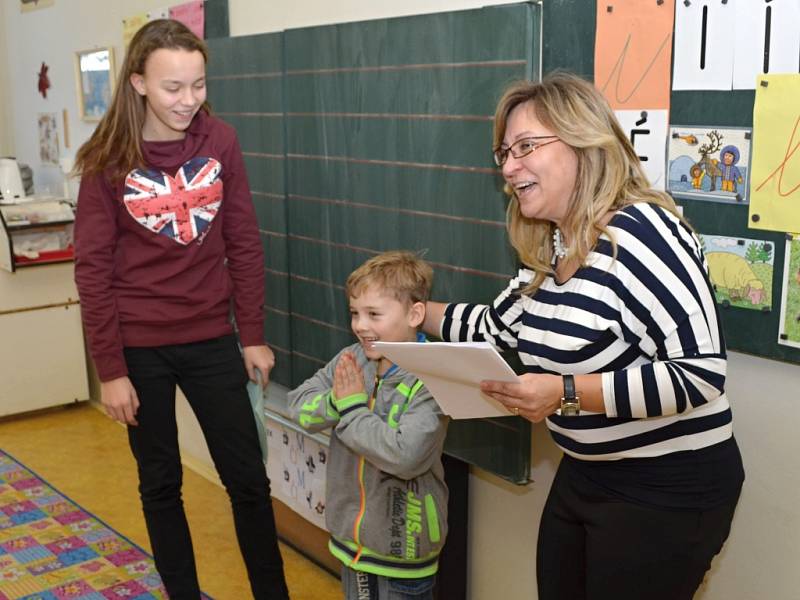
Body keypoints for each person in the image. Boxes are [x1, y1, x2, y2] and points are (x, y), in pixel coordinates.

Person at [422, 72, 744, 600]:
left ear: (581, 141)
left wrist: (564, 391)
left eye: (526, 146)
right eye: (503, 152)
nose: (507, 166)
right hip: (589, 474)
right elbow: (494, 327)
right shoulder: (552, 248)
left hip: (669, 488)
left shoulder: (642, 232)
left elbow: (700, 372)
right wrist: (413, 314)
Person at [72, 19, 289, 600]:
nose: (188, 100)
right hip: (138, 349)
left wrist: (253, 335)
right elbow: (92, 271)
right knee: (161, 484)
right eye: (173, 87)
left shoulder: (220, 142)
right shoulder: (106, 159)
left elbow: (243, 239)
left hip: (212, 338)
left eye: (197, 85)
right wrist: (110, 371)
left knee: (248, 480)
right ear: (138, 82)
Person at [288, 251, 449, 600]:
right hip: (352, 546)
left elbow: (405, 456)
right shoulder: (352, 359)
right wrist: (335, 402)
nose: (360, 325)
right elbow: (298, 407)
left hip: (401, 550)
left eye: (374, 314)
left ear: (414, 314)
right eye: (355, 313)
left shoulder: (432, 376)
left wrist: (351, 408)